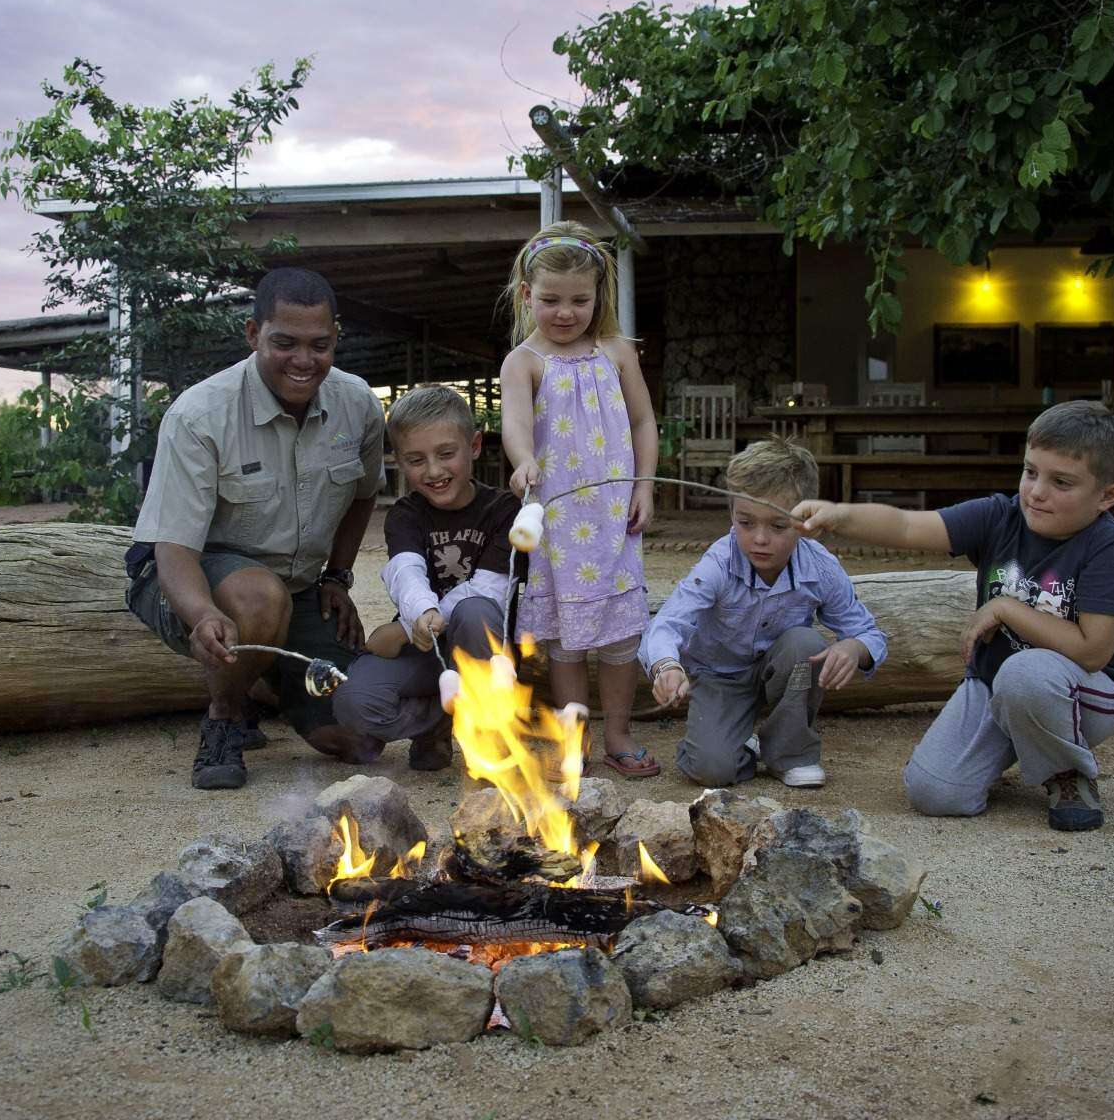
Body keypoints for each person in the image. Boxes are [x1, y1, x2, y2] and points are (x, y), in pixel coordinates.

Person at [795, 401, 1114, 832]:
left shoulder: (1108, 547)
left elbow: (1092, 651)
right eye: (1031, 472)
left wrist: (1004, 607)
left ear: (1108, 496)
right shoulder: (1000, 516)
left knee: (1025, 675)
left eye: (1061, 482)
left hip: (1086, 694)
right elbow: (906, 525)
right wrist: (841, 515)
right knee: (934, 791)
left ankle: (1067, 773)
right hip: (996, 684)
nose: (1036, 492)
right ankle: (1020, 744)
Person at [124, 267, 386, 790]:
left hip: (298, 586)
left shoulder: (357, 405)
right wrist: (200, 615)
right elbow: (173, 546)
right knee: (260, 602)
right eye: (283, 343)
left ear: (336, 336)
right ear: (252, 335)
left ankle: (272, 678)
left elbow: (363, 494)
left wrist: (337, 578)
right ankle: (226, 715)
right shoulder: (199, 415)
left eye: (320, 345)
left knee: (358, 737)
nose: (304, 361)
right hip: (193, 578)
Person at [499, 221, 660, 777]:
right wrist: (523, 461)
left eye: (579, 300)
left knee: (619, 636)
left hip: (615, 518)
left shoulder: (617, 352)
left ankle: (618, 734)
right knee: (566, 640)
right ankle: (575, 738)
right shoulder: (524, 362)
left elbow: (643, 422)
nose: (565, 312)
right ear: (527, 295)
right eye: (550, 300)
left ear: (599, 297)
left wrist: (645, 484)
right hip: (560, 519)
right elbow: (515, 426)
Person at [640, 439, 887, 789]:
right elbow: (667, 623)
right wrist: (666, 665)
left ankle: (789, 754)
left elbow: (868, 633)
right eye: (746, 522)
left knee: (805, 644)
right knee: (712, 769)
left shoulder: (821, 567)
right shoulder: (718, 563)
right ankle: (743, 747)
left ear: (806, 522)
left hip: (784, 669)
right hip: (719, 677)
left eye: (778, 526)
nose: (759, 539)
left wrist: (854, 648)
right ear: (731, 514)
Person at [331, 385, 518, 769]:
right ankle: (441, 719)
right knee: (354, 702)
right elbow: (406, 572)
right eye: (416, 459)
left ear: (475, 446)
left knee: (475, 609)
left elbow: (490, 588)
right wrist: (418, 618)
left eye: (446, 454)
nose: (433, 471)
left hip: (485, 650)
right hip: (427, 648)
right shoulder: (406, 513)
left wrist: (404, 630)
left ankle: (487, 735)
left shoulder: (505, 510)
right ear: (399, 460)